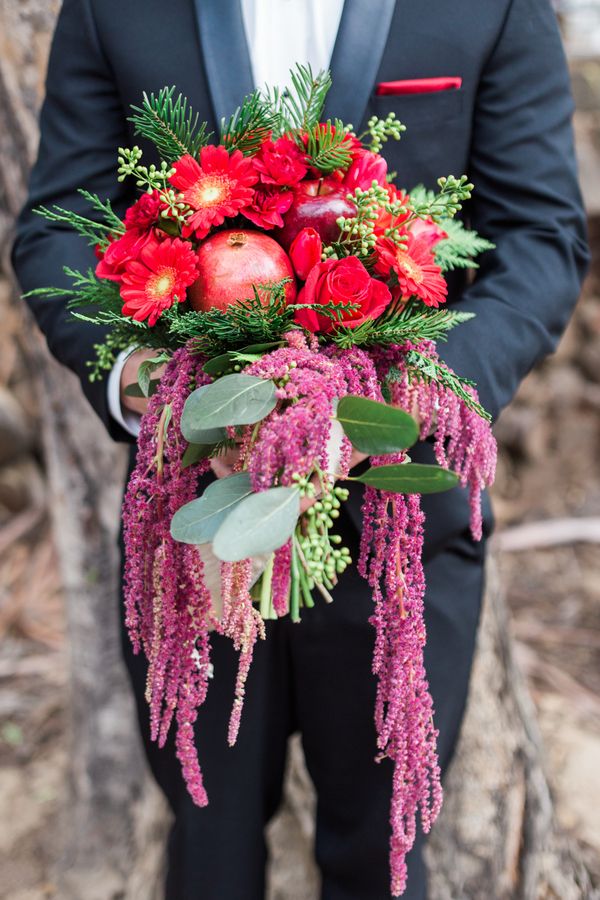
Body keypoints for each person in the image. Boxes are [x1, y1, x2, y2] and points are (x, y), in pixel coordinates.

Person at [12, 1, 589, 898]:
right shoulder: (111, 8)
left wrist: (405, 396)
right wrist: (139, 378)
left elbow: (542, 238)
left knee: (383, 855)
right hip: (192, 524)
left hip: (399, 527)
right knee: (209, 848)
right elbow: (57, 224)